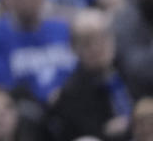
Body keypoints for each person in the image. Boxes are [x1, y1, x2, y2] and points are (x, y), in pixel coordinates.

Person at [48, 9, 132, 141]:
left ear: (112, 38)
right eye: (87, 43)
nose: (96, 48)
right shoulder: (71, 93)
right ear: (74, 48)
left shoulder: (131, 71)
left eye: (101, 38)